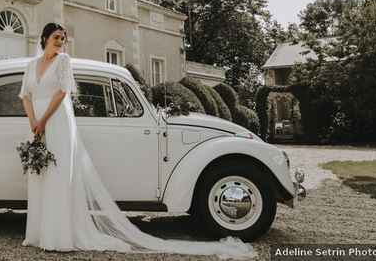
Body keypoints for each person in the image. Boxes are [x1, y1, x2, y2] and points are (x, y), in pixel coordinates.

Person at [18, 22, 255, 258]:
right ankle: (39, 233)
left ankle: (58, 235)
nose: (60, 42)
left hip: (57, 120)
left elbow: (61, 92)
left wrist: (44, 120)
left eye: (63, 38)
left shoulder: (63, 61)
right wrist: (34, 123)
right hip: (37, 123)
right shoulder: (31, 65)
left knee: (59, 176)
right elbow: (25, 95)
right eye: (57, 37)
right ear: (45, 38)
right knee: (40, 175)